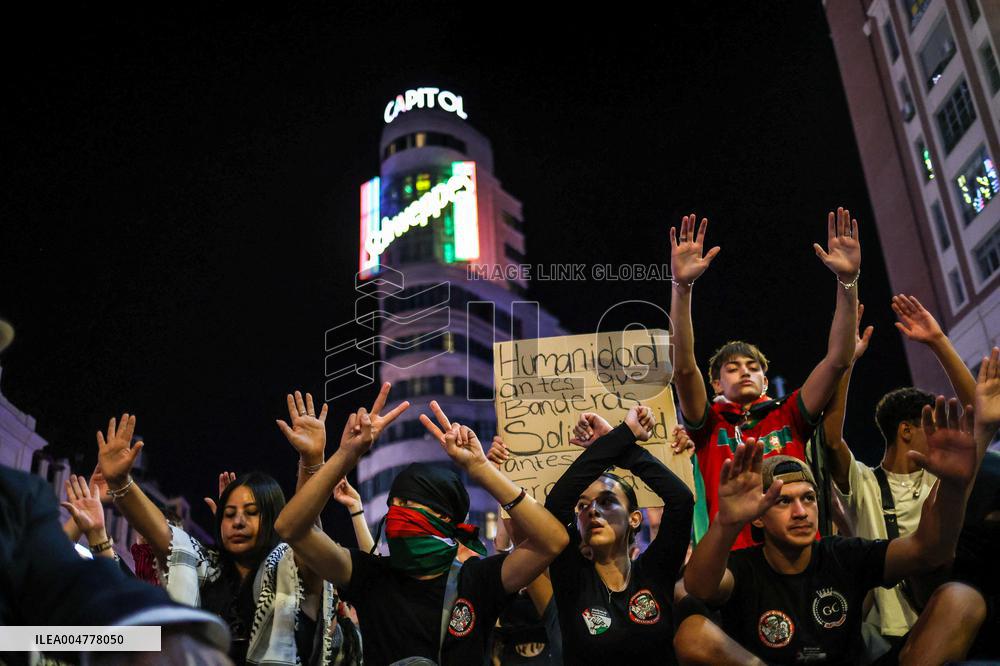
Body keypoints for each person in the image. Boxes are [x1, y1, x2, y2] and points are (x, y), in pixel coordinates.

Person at [675, 364, 1000, 665]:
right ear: (758, 516)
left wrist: (957, 480)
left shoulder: (842, 555)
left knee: (960, 599)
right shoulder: (745, 567)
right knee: (690, 633)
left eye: (808, 498)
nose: (801, 512)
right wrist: (727, 522)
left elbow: (930, 551)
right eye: (783, 502)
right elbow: (700, 587)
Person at [274, 389, 569, 665]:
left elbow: (552, 541)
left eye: (412, 506)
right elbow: (292, 528)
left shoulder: (477, 580)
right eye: (395, 506)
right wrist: (343, 456)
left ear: (444, 521)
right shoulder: (370, 576)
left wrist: (481, 468)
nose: (399, 515)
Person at [96, 396, 358, 666]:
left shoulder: (295, 569)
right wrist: (120, 483)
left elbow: (302, 530)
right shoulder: (204, 570)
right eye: (229, 514)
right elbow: (162, 534)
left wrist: (312, 460)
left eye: (251, 512)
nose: (238, 521)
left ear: (273, 518)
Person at [668, 209, 860, 548]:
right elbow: (683, 368)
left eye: (753, 367)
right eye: (732, 367)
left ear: (766, 381)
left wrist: (847, 283)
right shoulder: (707, 425)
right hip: (734, 565)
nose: (745, 371)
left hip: (802, 557)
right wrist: (682, 288)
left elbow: (837, 361)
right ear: (716, 384)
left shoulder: (788, 415)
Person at [821, 296, 978, 658]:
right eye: (935, 425)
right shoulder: (863, 483)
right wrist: (846, 361)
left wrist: (938, 341)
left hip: (939, 623)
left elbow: (980, 415)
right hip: (883, 639)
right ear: (906, 431)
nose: (947, 434)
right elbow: (831, 438)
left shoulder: (942, 481)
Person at [0, 463, 232, 666]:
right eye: (147, 531)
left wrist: (163, 638)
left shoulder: (19, 495)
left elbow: (54, 583)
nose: (150, 538)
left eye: (165, 533)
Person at [541, 405, 693, 663]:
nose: (592, 511)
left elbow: (681, 499)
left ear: (635, 518)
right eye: (582, 506)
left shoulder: (655, 572)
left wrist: (619, 440)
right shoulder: (571, 577)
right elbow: (555, 504)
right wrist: (622, 436)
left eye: (607, 501)